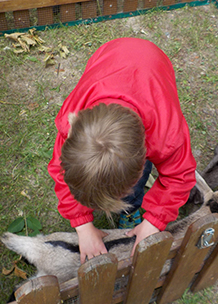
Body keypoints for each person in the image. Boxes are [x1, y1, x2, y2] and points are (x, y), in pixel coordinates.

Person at [48, 37, 196, 264]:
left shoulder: (168, 134)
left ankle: (130, 210)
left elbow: (179, 175)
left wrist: (154, 221)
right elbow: (61, 172)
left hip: (153, 62)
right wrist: (83, 225)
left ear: (143, 162)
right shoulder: (72, 127)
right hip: (108, 55)